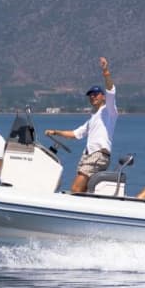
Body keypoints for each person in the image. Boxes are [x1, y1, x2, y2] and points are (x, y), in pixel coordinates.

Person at [44, 57, 117, 193]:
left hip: (98, 155)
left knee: (76, 188)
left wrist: (105, 71)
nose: (93, 97)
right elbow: (75, 134)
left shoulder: (109, 111)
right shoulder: (92, 119)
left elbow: (111, 90)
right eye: (90, 95)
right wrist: (55, 132)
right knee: (82, 190)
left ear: (103, 97)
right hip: (88, 156)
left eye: (96, 94)